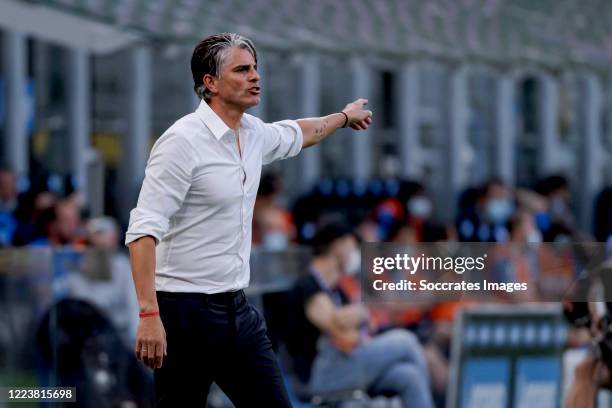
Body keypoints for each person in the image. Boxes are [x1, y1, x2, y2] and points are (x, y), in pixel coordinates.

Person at [124, 32, 372, 407]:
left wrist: (342, 117)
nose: (255, 76)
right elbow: (143, 232)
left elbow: (300, 132)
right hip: (184, 314)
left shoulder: (253, 133)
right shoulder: (181, 142)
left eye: (255, 68)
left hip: (238, 310)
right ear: (210, 83)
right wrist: (148, 315)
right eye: (242, 70)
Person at [287, 221, 434, 407]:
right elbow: (335, 324)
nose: (356, 252)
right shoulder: (307, 285)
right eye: (352, 245)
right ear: (338, 245)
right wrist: (360, 313)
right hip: (319, 376)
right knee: (406, 341)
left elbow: (355, 333)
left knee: (408, 376)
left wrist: (357, 320)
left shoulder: (337, 291)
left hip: (346, 365)